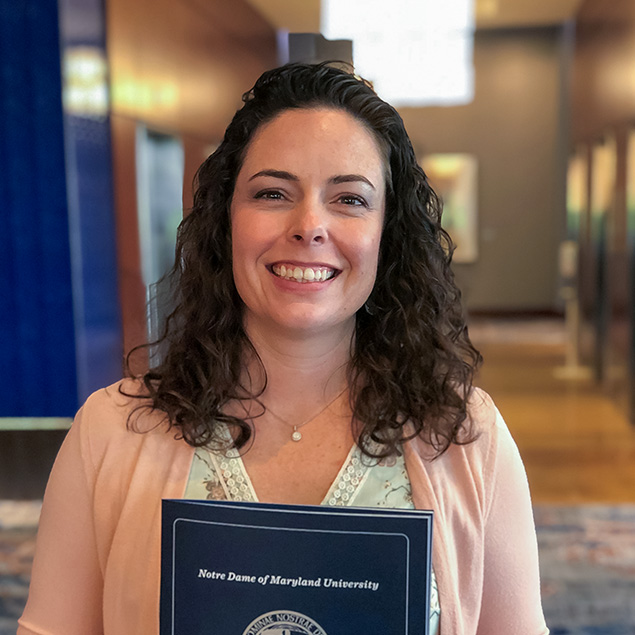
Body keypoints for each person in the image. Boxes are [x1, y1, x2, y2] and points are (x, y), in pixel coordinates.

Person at [18, 62, 549, 635]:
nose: (309, 226)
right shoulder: (109, 432)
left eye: (349, 199)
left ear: (386, 235)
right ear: (226, 221)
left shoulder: (468, 438)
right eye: (273, 193)